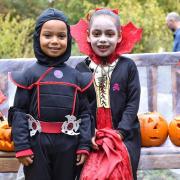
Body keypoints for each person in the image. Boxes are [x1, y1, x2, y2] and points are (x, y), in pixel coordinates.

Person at [8, 8, 93, 180]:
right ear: (37, 37)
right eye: (48, 35)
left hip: (69, 145)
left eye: (61, 36)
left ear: (68, 40)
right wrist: (22, 146)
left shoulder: (76, 77)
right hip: (36, 144)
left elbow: (85, 113)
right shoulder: (29, 75)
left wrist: (84, 144)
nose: (55, 41)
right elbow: (18, 112)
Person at [71, 8, 142, 180]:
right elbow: (80, 106)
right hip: (91, 132)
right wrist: (89, 132)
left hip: (122, 132)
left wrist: (121, 132)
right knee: (89, 169)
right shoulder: (81, 69)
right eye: (97, 34)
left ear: (119, 37)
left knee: (117, 168)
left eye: (109, 34)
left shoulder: (128, 66)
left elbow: (132, 103)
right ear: (88, 36)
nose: (103, 39)